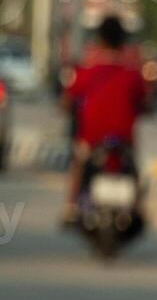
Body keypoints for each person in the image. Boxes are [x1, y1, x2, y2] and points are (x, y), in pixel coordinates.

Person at [60, 15, 148, 227]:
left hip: (91, 138)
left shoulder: (87, 72)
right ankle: (136, 206)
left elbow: (66, 100)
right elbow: (145, 103)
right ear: (123, 42)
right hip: (124, 139)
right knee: (134, 168)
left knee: (79, 164)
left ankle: (71, 208)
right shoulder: (132, 75)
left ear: (100, 41)